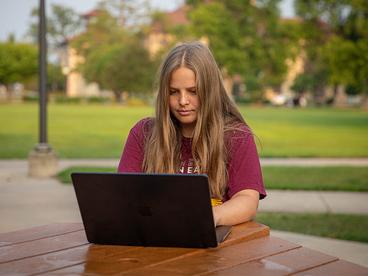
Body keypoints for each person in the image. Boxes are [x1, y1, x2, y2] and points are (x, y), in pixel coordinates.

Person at [118, 41, 266, 226]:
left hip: (216, 246)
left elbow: (247, 199)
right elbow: (125, 194)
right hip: (156, 238)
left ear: (210, 91)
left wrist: (208, 216)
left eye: (193, 91)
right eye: (173, 92)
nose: (183, 101)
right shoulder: (143, 133)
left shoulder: (236, 136)